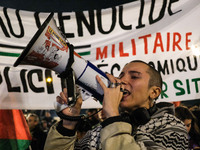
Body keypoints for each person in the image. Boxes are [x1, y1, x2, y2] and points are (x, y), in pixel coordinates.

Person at [44, 60, 189, 150]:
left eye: (134, 76)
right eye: (121, 76)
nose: (121, 81)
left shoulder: (172, 127)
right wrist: (68, 126)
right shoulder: (100, 130)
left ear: (154, 92)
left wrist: (113, 115)